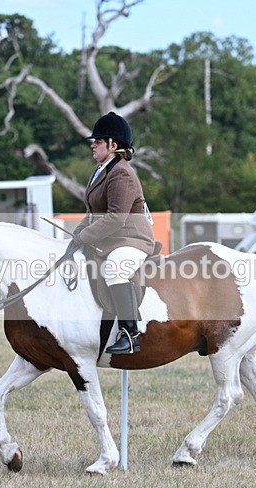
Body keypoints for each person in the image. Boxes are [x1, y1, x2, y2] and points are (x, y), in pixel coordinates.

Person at [66, 112, 155, 354]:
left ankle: (129, 333)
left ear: (113, 145)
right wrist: (77, 233)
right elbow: (94, 212)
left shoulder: (121, 173)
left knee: (114, 268)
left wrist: (85, 236)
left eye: (98, 141)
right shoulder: (101, 169)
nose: (92, 144)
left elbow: (116, 217)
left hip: (132, 239)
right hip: (112, 239)